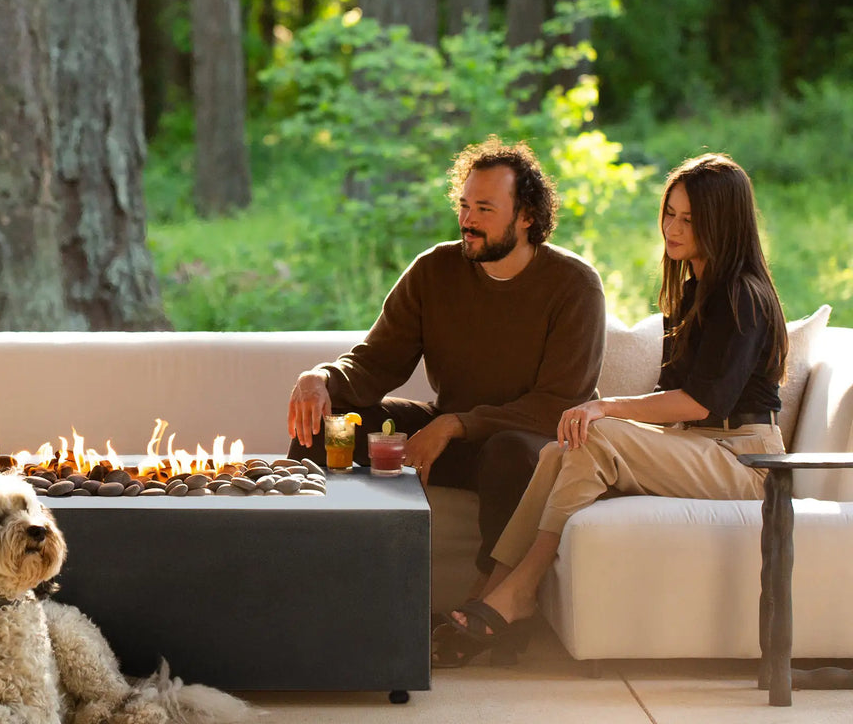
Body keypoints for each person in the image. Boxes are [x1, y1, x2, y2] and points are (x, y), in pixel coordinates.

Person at [438, 152, 789, 666]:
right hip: (699, 445)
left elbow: (700, 401)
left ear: (723, 223)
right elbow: (679, 404)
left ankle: (520, 590)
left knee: (593, 432)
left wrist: (607, 409)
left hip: (746, 461)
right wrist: (604, 413)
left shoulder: (741, 295)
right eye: (670, 212)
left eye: (690, 219)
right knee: (560, 450)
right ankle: (490, 585)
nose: (673, 227)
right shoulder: (695, 293)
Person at [287, 136, 606, 597]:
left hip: (532, 448)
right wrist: (321, 378)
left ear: (527, 217)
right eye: (464, 206)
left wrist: (456, 424)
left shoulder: (574, 286)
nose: (468, 221)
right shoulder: (434, 270)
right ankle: (300, 571)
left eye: (485, 209)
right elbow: (378, 360)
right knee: (328, 423)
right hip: (454, 436)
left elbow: (557, 405)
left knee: (508, 451)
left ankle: (491, 605)